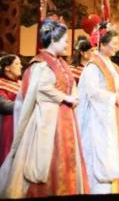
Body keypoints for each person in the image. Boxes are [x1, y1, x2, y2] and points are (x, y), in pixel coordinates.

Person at [0, 18, 90, 197]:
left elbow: (70, 83)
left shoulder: (61, 63)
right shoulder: (40, 64)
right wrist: (65, 97)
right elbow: (41, 88)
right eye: (64, 41)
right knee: (49, 160)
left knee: (68, 157)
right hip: (48, 120)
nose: (67, 45)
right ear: (54, 40)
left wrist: (74, 95)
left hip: (66, 118)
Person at [77, 22, 119, 193]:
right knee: (102, 156)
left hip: (115, 117)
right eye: (114, 43)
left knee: (118, 153)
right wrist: (113, 98)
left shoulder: (114, 67)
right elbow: (92, 92)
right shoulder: (93, 67)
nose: (117, 47)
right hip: (100, 120)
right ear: (102, 45)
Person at [0, 55, 21, 166]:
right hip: (7, 126)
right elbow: (3, 105)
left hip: (21, 123)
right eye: (17, 64)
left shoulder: (21, 83)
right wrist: (24, 106)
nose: (20, 66)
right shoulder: (1, 84)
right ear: (7, 68)